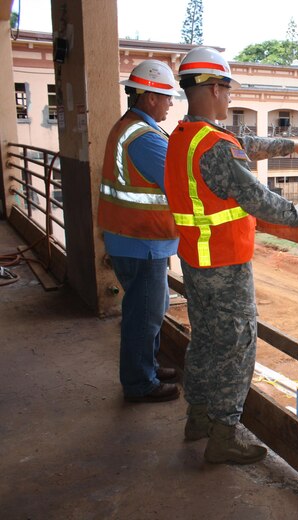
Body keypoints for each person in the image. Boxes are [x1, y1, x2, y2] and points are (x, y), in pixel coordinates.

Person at [164, 47, 298, 465]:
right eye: (227, 88)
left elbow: (250, 144)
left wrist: (296, 144)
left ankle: (197, 417)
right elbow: (254, 196)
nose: (230, 97)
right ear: (214, 88)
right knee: (238, 346)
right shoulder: (215, 145)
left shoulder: (184, 136)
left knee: (204, 339)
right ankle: (224, 433)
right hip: (224, 262)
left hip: (195, 258)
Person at [97, 59, 180, 403]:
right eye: (166, 97)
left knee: (150, 308)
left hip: (136, 238)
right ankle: (139, 383)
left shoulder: (133, 127)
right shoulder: (143, 138)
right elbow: (180, 182)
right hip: (140, 240)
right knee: (143, 316)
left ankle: (147, 365)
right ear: (148, 98)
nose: (171, 103)